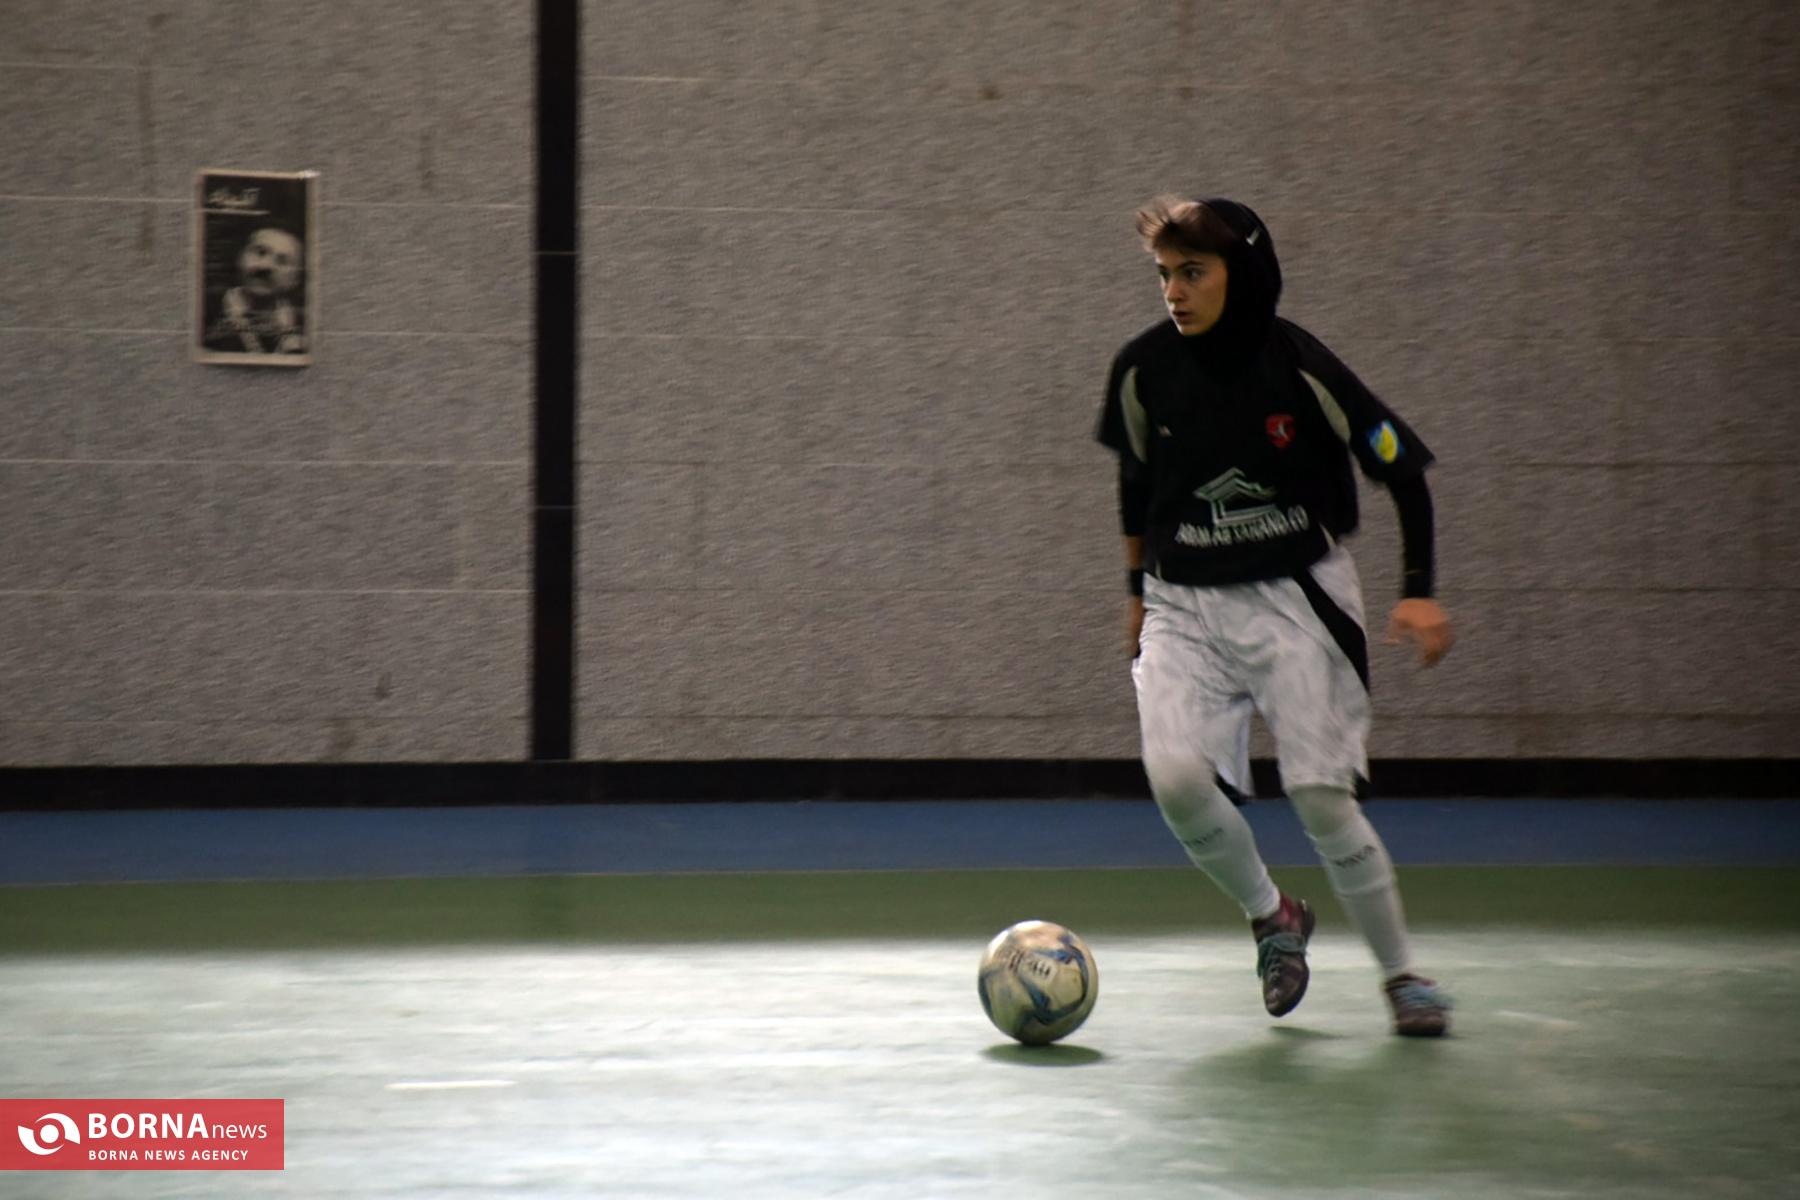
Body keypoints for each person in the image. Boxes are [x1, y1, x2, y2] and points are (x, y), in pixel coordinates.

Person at [1095, 196, 1455, 1037]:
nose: (1174, 292)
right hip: (1183, 604)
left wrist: (1418, 588)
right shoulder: (1143, 370)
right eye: (1164, 275)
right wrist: (1136, 593)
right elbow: (1135, 486)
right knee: (1176, 781)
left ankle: (1403, 978)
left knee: (1320, 799)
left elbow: (1401, 469)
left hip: (1296, 599)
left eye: (1194, 273)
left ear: (1245, 273)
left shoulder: (1301, 367)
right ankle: (1272, 916)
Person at [205, 225, 307, 355]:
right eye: (260, 252)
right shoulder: (205, 311)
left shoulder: (304, 326)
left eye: (282, 261)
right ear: (240, 258)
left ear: (295, 278)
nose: (265, 266)